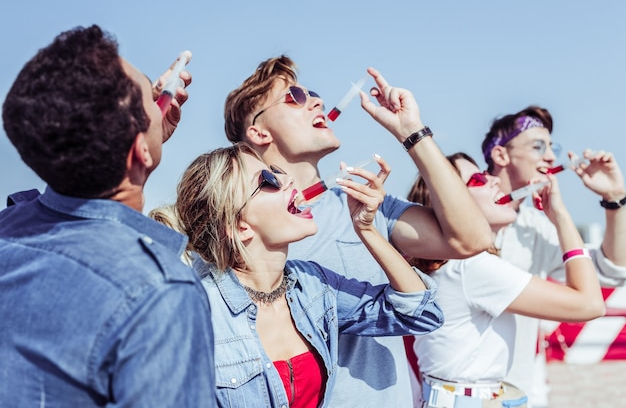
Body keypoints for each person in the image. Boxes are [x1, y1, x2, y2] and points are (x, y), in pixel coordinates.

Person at [222, 55, 493, 408]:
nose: (317, 101)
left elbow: (471, 239)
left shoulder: (362, 205)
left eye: (313, 93)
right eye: (295, 98)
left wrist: (411, 132)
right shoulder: (246, 227)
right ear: (258, 131)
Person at [0, 25, 216, 407]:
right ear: (139, 150)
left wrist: (139, 142)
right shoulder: (159, 295)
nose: (159, 96)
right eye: (150, 92)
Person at [160, 142, 443, 407]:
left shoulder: (314, 287)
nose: (288, 180)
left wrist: (367, 229)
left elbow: (420, 313)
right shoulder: (197, 312)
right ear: (239, 226)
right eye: (268, 181)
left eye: (278, 172)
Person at [406, 152, 605, 408]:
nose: (494, 181)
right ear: (448, 203)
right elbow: (589, 304)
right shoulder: (472, 268)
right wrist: (561, 216)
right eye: (478, 179)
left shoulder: (451, 264)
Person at [481, 105, 626, 407]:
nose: (550, 157)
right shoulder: (457, 218)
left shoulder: (535, 224)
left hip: (520, 392)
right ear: (501, 155)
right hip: (454, 388)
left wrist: (614, 199)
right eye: (538, 146)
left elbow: (610, 270)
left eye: (552, 147)